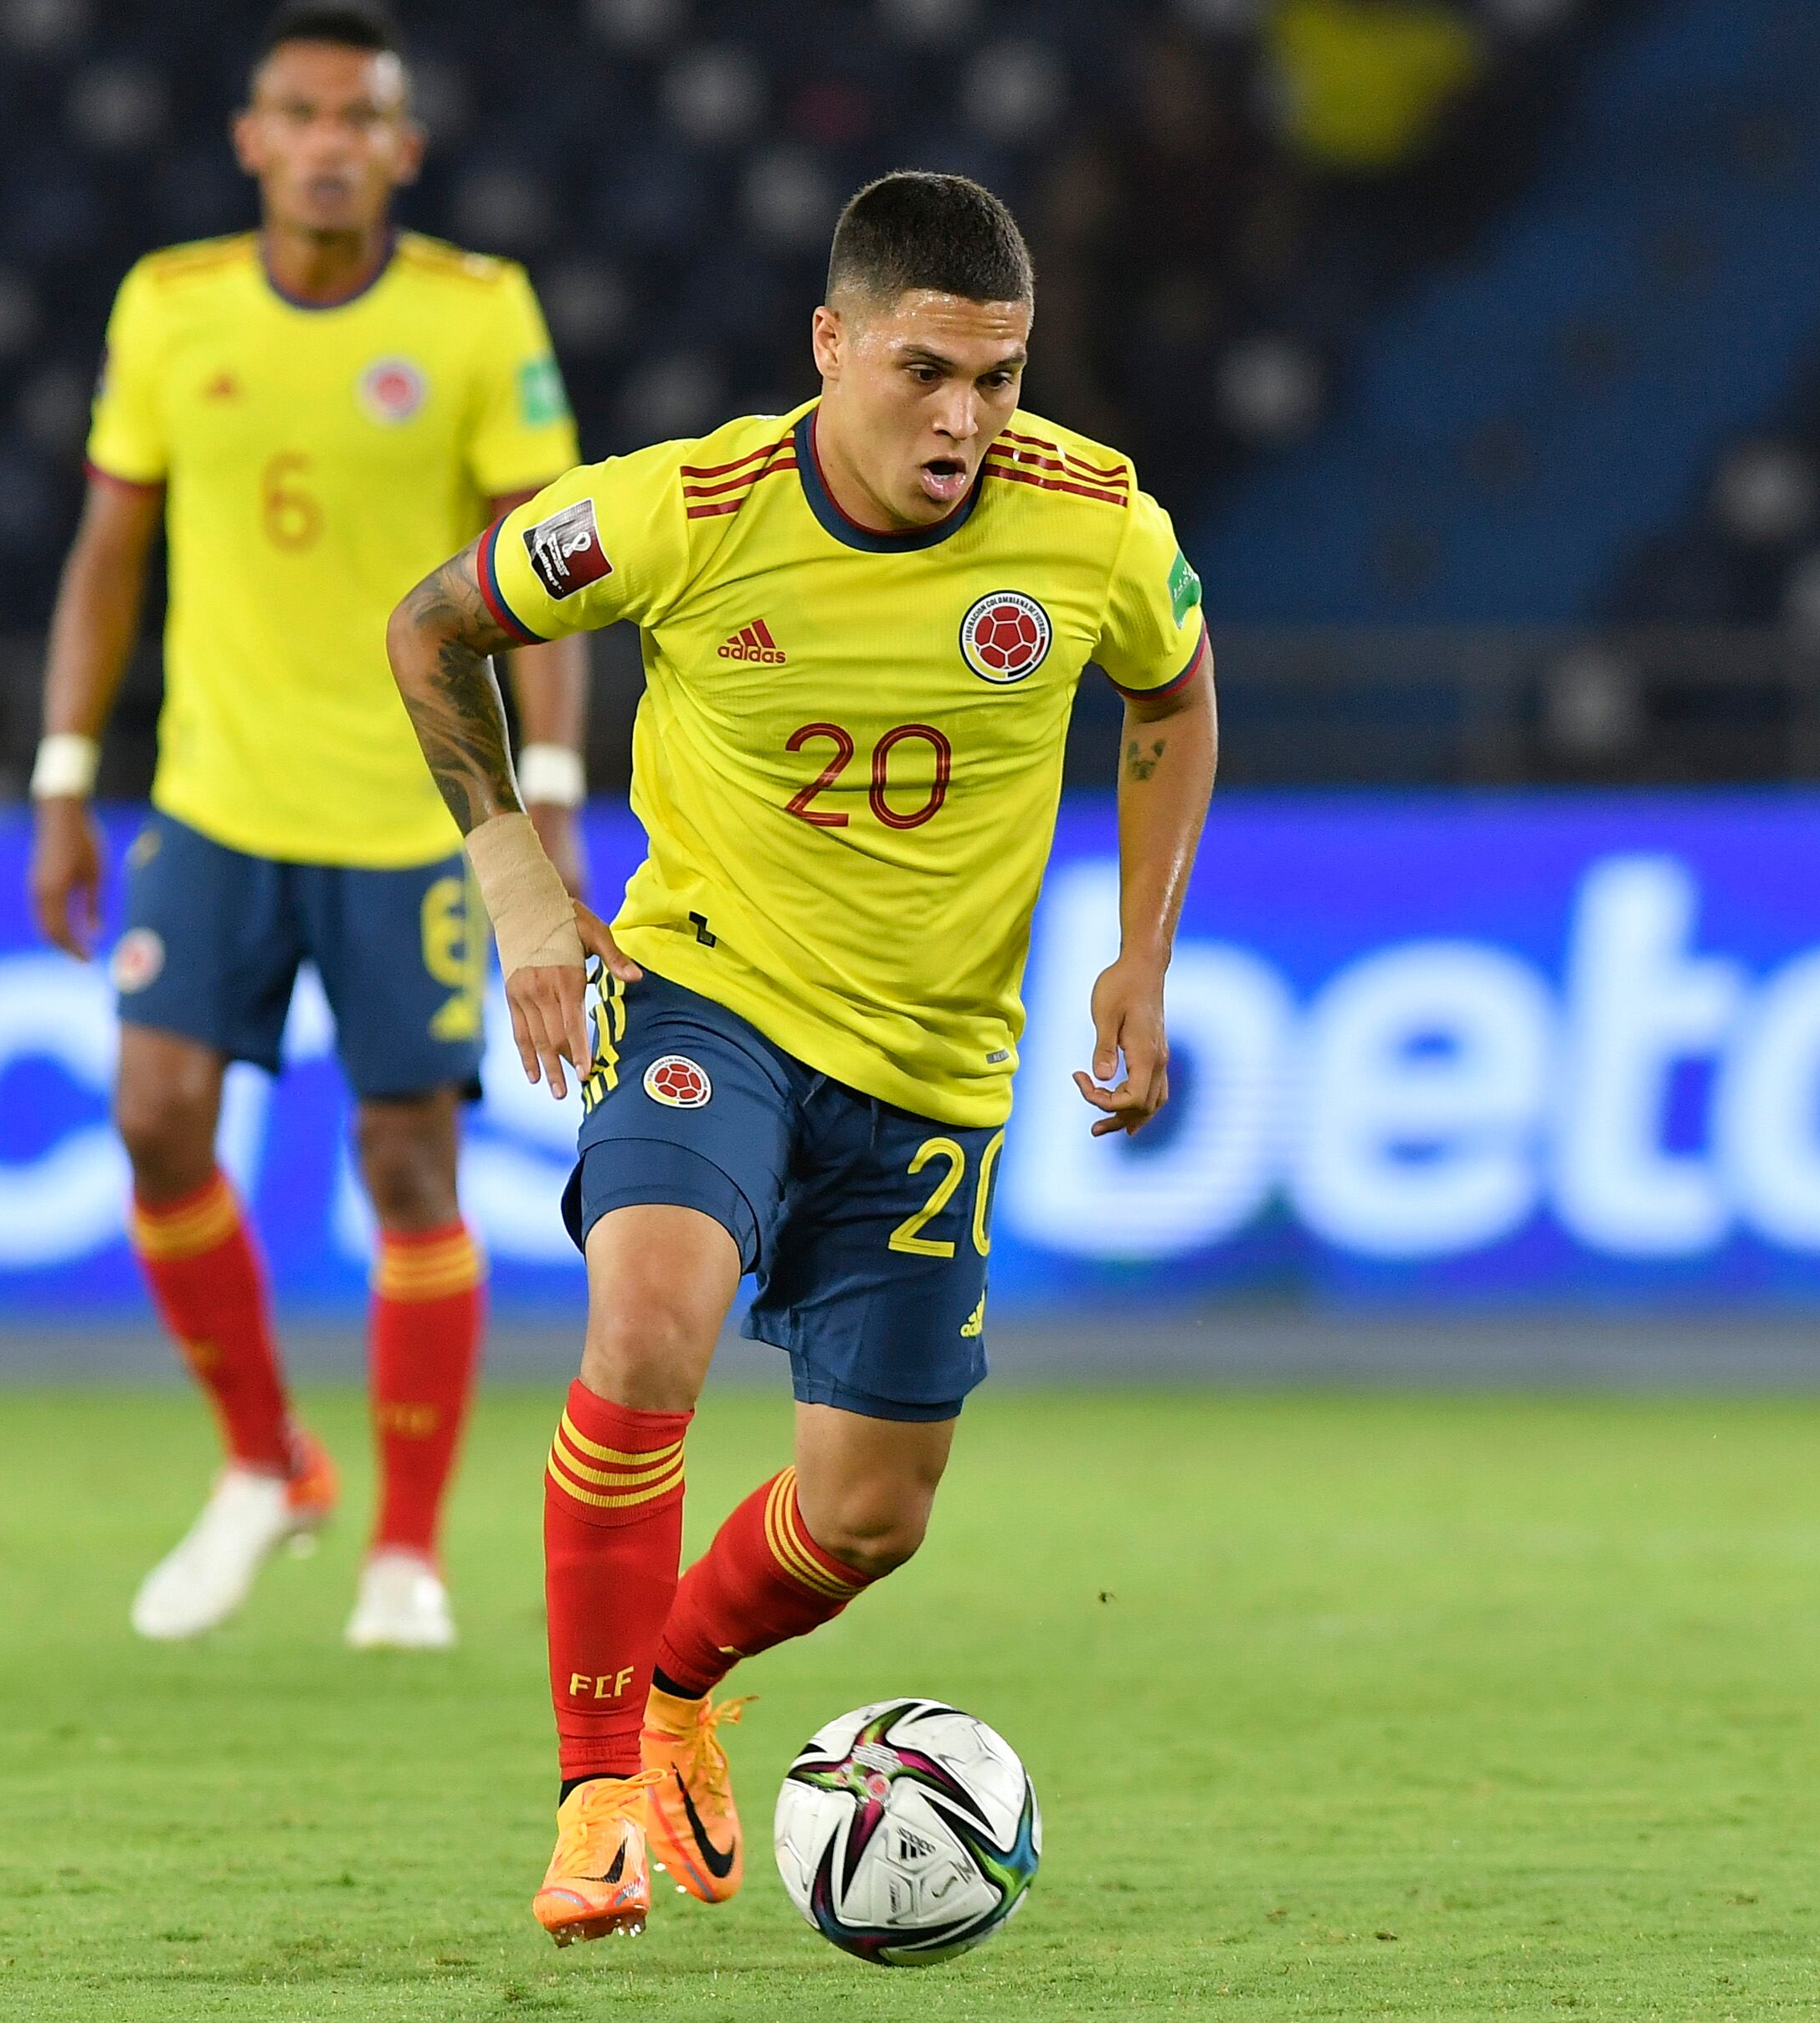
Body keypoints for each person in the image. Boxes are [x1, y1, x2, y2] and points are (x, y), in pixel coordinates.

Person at [383, 171, 1217, 1945]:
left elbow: (1173, 692)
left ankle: (677, 1687)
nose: (967, 419)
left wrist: (1138, 958)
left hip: (934, 1067)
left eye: (998, 377)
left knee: (869, 1514)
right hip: (713, 1002)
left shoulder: (1095, 526)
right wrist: (525, 891)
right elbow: (428, 628)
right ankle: (595, 1788)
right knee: (649, 1319)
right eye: (926, 370)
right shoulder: (681, 512)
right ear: (829, 345)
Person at [26, 0, 589, 1650]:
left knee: (408, 1161)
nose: (331, 141)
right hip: (214, 800)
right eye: (301, 112)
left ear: (402, 149)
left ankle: (404, 1553)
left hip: (415, 811)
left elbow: (547, 578)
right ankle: (267, 1460)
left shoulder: (479, 320)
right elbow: (107, 557)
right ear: (252, 140)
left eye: (362, 116)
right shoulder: (170, 306)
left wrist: (542, 809)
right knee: (152, 1116)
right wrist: (65, 773)